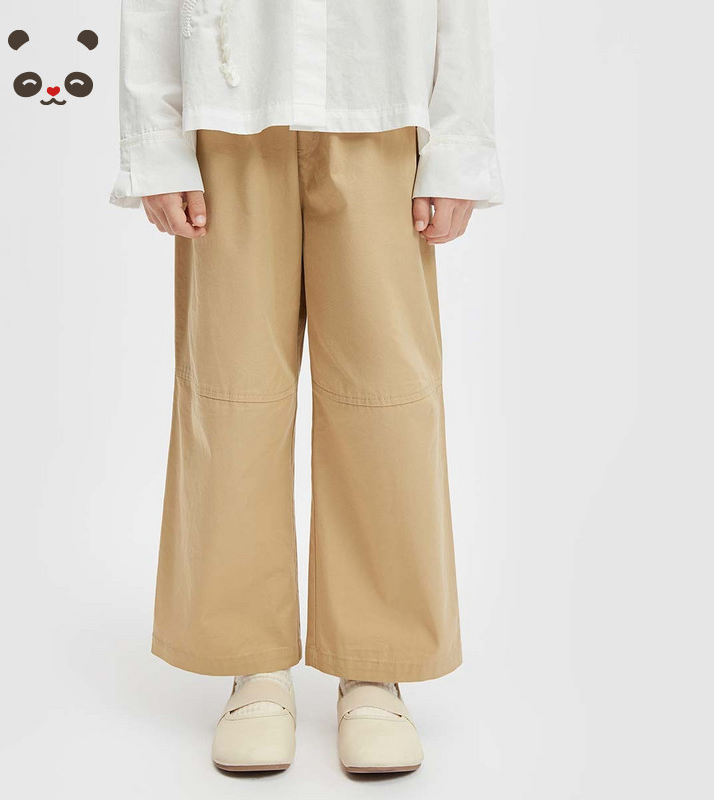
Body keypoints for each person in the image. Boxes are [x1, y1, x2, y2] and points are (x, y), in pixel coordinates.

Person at [112, 0, 503, 775]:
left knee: (388, 397)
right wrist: (157, 144)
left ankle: (376, 665)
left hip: (380, 103)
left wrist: (458, 148)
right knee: (230, 396)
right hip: (230, 109)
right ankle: (251, 662)